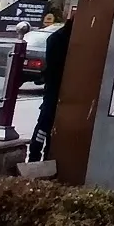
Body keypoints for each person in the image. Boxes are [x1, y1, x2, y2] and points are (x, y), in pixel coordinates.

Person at [27, 14, 74, 163]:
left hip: (55, 87)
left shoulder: (59, 37)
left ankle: (41, 153)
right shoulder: (61, 39)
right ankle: (36, 153)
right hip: (55, 88)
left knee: (46, 122)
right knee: (46, 122)